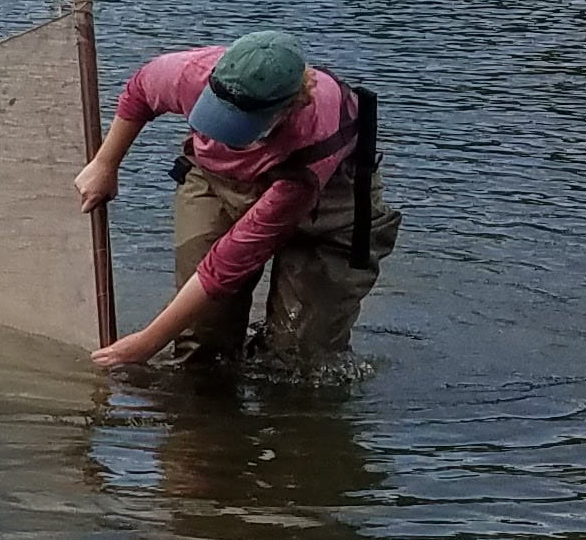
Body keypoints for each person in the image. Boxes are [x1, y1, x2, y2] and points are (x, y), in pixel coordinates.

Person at [75, 26, 394, 374]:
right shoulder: (192, 74)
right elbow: (140, 92)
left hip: (330, 208)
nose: (221, 134)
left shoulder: (310, 145)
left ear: (287, 110)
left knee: (298, 359)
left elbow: (227, 264)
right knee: (201, 340)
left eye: (235, 127)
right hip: (217, 180)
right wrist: (105, 164)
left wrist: (147, 343)